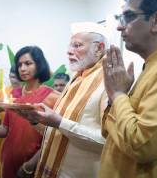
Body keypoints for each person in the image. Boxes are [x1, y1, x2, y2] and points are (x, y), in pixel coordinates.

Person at [19, 22, 109, 178]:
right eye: (70, 46)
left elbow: (108, 143)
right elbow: (58, 131)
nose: (69, 51)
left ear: (99, 48)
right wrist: (35, 120)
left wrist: (59, 122)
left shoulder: (109, 81)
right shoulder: (77, 77)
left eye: (77, 45)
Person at [99, 0, 157, 177]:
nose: (119, 27)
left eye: (128, 16)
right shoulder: (149, 65)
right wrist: (116, 97)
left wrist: (117, 94)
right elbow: (108, 130)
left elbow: (141, 146)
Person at [0, 46, 59, 178]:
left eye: (28, 63)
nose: (22, 68)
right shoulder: (14, 95)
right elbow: (6, 129)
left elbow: (53, 139)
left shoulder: (52, 97)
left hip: (33, 164)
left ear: (39, 65)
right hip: (8, 161)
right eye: (19, 65)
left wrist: (29, 166)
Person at [0, 65, 21, 177]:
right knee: (0, 167)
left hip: (20, 138)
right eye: (12, 77)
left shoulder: (25, 93)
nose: (15, 80)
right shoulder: (1, 93)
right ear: (9, 76)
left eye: (17, 77)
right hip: (2, 136)